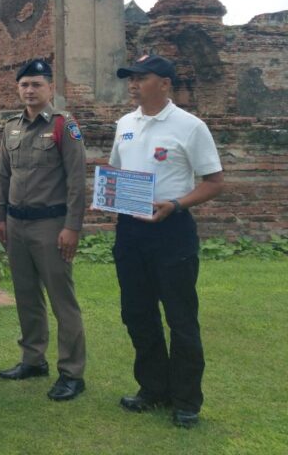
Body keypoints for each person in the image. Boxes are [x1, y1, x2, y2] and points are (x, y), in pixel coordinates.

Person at [109, 54, 224, 429]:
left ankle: (187, 400)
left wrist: (175, 204)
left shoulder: (189, 126)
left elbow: (213, 182)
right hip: (131, 231)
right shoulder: (125, 124)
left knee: (180, 317)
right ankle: (153, 388)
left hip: (171, 229)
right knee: (137, 313)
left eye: (141, 78)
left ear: (165, 83)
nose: (133, 84)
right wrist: (109, 195)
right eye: (131, 78)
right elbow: (117, 172)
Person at [0, 59, 88, 401]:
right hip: (16, 224)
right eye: (24, 85)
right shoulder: (11, 127)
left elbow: (77, 180)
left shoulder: (64, 125)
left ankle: (72, 372)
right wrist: (0, 217)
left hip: (51, 225)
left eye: (36, 84)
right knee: (26, 296)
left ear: (50, 87)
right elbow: (3, 174)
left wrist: (72, 227)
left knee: (62, 300)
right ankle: (33, 359)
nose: (30, 90)